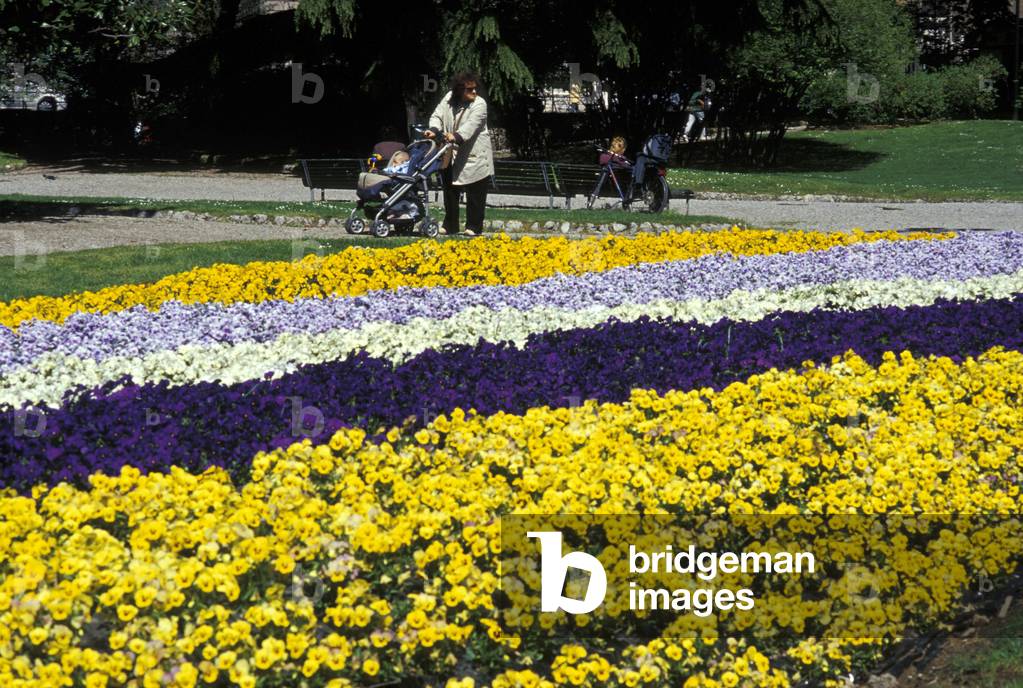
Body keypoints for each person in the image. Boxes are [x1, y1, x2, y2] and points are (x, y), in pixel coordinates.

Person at [423, 72, 494, 236]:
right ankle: (450, 225)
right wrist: (433, 129)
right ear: (459, 90)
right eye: (470, 89)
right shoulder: (448, 98)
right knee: (450, 192)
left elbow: (471, 126)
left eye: (475, 88)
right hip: (450, 153)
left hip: (474, 155)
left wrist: (456, 136)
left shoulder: (480, 104)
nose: (474, 92)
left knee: (476, 194)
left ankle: (474, 227)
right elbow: (437, 115)